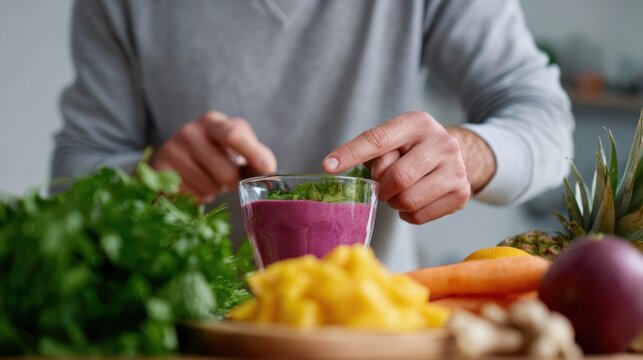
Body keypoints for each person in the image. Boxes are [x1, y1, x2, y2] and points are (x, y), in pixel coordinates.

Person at [52, 0, 574, 271]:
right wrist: (151, 178)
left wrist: (469, 153)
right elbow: (74, 167)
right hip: (196, 329)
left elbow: (545, 119)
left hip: (367, 328)